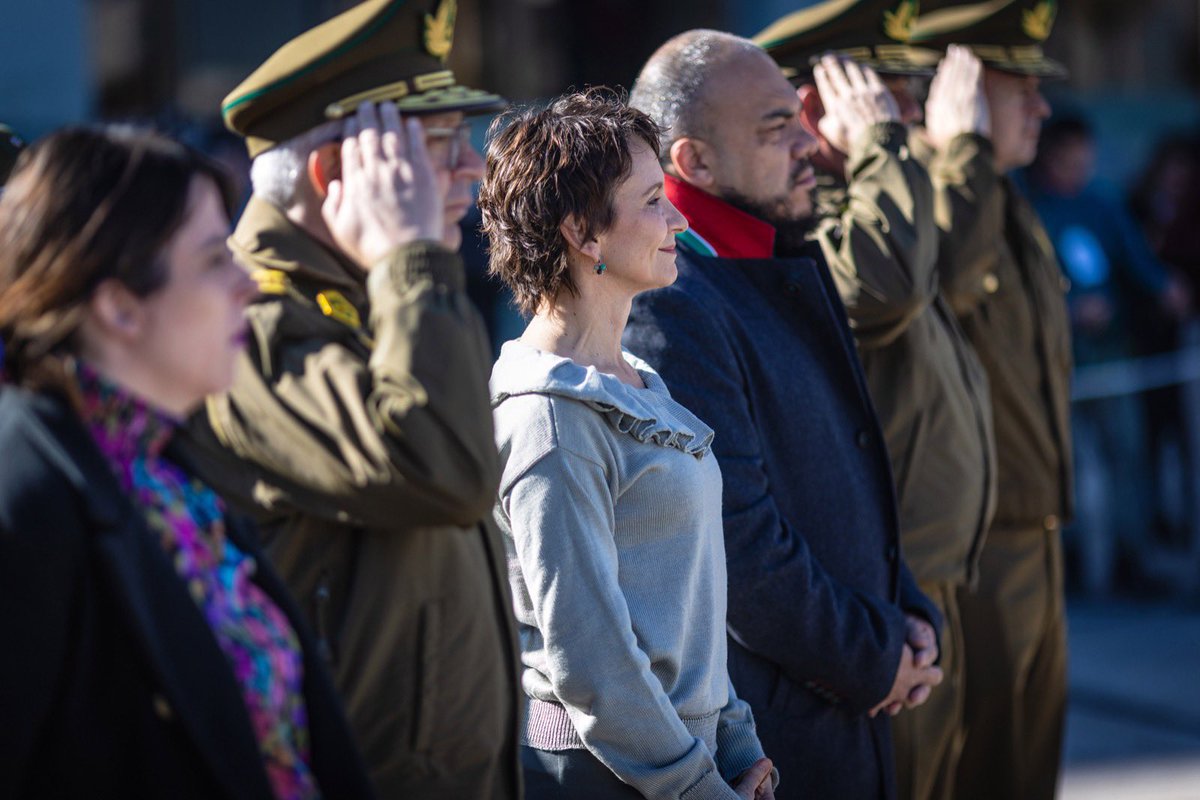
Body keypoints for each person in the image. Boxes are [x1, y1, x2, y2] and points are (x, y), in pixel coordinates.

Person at [179, 1, 522, 796]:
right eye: (438, 146)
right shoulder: (248, 327)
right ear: (338, 177)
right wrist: (409, 257)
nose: (474, 167)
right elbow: (440, 468)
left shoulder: (380, 297)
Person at [0, 126, 372, 799]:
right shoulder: (27, 491)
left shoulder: (164, 470)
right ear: (118, 304)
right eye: (211, 261)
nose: (249, 284)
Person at [626, 30, 944, 800]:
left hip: (841, 704)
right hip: (777, 740)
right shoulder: (672, 302)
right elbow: (740, 546)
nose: (809, 140)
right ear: (693, 163)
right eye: (777, 127)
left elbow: (843, 482)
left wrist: (905, 610)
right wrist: (874, 656)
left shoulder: (762, 259)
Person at [478, 89, 778, 800]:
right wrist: (698, 784)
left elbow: (687, 603)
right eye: (652, 200)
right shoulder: (548, 419)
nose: (677, 218)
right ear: (584, 232)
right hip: (606, 776)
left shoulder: (634, 380)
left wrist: (735, 739)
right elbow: (594, 663)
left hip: (676, 763)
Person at [754, 4, 998, 798]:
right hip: (877, 597)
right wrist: (887, 145)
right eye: (884, 92)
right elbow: (890, 282)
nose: (906, 111)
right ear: (818, 103)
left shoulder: (886, 191)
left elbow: (950, 266)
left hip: (933, 577)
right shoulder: (812, 217)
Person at [909, 3, 1075, 797]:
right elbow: (938, 280)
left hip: (1034, 534)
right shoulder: (942, 196)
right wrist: (961, 147)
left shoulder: (1006, 199)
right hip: (980, 555)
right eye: (1019, 90)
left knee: (1029, 769)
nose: (1042, 108)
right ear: (960, 94)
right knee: (985, 771)